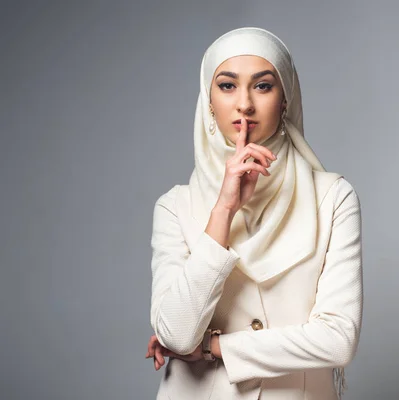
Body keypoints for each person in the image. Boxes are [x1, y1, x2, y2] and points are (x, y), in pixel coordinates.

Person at [144, 27, 363, 400]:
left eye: (262, 86)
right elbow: (177, 335)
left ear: (286, 100)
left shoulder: (332, 197)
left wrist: (216, 348)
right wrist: (224, 209)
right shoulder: (175, 206)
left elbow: (337, 340)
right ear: (208, 101)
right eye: (227, 86)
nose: (244, 103)